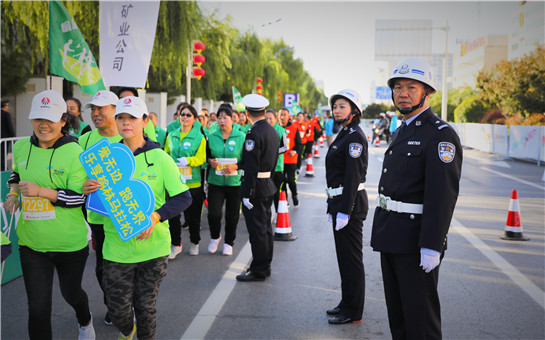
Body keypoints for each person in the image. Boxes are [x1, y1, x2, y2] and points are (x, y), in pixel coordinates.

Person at [83, 96, 191, 340]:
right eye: (120, 117)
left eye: (132, 117)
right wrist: (88, 188)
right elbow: (97, 198)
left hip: (153, 250)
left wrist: (155, 217)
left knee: (145, 308)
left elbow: (183, 198)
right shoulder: (106, 158)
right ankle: (126, 330)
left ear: (144, 121)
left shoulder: (160, 158)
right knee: (118, 311)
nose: (125, 122)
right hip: (116, 248)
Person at [371, 58, 462, 339]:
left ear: (428, 92)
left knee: (421, 322)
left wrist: (432, 245)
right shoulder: (402, 130)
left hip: (415, 241)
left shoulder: (440, 135)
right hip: (391, 234)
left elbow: (442, 195)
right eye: (398, 87)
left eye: (411, 87)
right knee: (398, 317)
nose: (403, 93)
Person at [4, 90, 95, 339]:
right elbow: (16, 175)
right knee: (38, 309)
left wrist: (40, 191)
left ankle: (85, 321)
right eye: (38, 119)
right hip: (32, 244)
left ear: (63, 120)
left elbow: (79, 197)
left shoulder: (75, 152)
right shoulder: (22, 147)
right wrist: (13, 195)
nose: (43, 125)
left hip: (70, 245)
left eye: (50, 119)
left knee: (71, 294)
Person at [325, 89, 369, 325]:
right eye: (335, 107)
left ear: (354, 110)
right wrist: (331, 204)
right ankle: (346, 302)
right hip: (340, 203)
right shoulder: (345, 133)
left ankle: (354, 311)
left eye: (342, 106)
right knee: (344, 258)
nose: (337, 110)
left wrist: (345, 210)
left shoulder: (354, 137)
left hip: (349, 206)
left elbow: (352, 176)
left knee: (352, 260)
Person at [79, 90, 120, 325]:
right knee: (103, 267)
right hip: (98, 217)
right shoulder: (85, 140)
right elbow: (75, 177)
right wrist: (81, 185)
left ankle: (127, 303)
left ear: (115, 110)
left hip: (126, 214)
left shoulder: (130, 137)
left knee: (125, 265)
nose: (95, 113)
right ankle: (113, 306)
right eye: (92, 109)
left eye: (101, 108)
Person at [236, 94, 279, 282]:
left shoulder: (253, 133)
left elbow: (252, 166)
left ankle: (259, 269)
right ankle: (265, 265)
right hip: (267, 183)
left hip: (256, 186)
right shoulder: (272, 130)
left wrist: (247, 193)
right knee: (266, 229)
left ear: (247, 113)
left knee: (258, 231)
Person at [165, 103, 207, 257]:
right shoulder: (172, 135)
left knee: (193, 217)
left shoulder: (199, 137)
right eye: (182, 114)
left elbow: (202, 158)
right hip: (174, 182)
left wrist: (188, 161)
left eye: (188, 115)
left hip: (193, 182)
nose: (185, 117)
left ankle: (195, 242)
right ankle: (176, 244)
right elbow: (165, 154)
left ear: (194, 119)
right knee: (173, 216)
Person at [205, 105, 246, 256]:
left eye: (225, 117)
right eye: (219, 117)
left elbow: (247, 159)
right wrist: (210, 161)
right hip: (215, 182)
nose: (222, 121)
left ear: (232, 119)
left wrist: (235, 166)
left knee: (232, 215)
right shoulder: (212, 136)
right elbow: (207, 155)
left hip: (234, 183)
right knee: (213, 214)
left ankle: (229, 242)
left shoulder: (241, 136)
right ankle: (215, 237)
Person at [279, 108, 303, 207]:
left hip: (291, 160)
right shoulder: (276, 129)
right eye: (281, 114)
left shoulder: (294, 128)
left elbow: (299, 144)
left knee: (291, 180)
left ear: (288, 117)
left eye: (284, 114)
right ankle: (285, 200)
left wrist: (294, 150)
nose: (282, 117)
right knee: (281, 181)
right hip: (279, 161)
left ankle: (294, 195)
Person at [265, 109, 288, 211]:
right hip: (265, 167)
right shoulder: (262, 129)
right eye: (266, 118)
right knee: (266, 192)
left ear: (275, 118)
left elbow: (285, 147)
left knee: (275, 191)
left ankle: (278, 212)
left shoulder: (281, 130)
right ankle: (267, 213)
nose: (268, 120)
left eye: (270, 118)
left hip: (277, 167)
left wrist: (272, 151)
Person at [1, 99, 15, 171]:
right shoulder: (6, 115)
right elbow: (10, 127)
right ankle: (3, 169)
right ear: (5, 106)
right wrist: (13, 137)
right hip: (4, 138)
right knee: (3, 154)